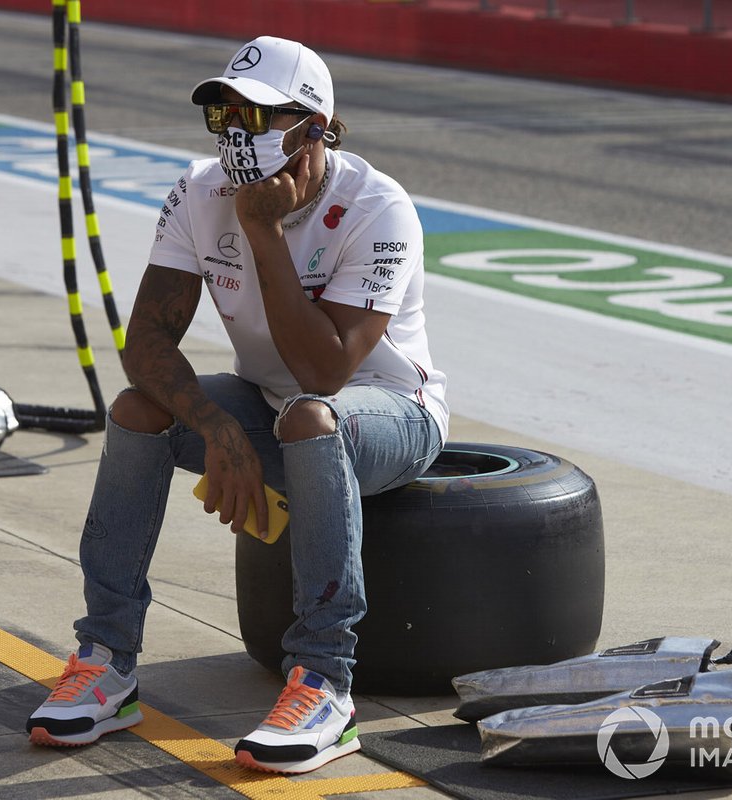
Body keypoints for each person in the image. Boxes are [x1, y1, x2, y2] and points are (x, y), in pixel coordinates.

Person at [26, 35, 448, 775]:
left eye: (256, 117)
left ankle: (324, 684)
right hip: (267, 406)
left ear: (314, 127)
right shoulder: (198, 189)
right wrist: (216, 426)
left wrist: (263, 233)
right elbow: (147, 341)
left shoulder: (378, 208)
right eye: (225, 115)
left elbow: (323, 372)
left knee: (309, 417)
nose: (235, 134)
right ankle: (106, 661)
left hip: (389, 411)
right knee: (136, 409)